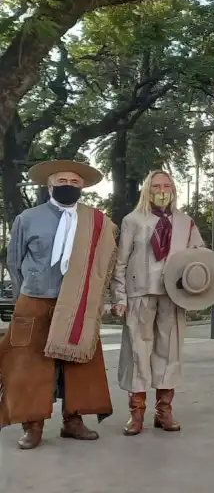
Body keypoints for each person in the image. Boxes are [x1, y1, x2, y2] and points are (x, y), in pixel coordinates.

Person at [0, 160, 117, 450]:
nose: (69, 186)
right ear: (50, 184)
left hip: (78, 301)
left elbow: (105, 263)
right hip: (36, 299)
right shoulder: (28, 218)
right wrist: (26, 293)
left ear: (82, 187)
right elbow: (14, 261)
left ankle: (73, 420)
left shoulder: (95, 222)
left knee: (78, 362)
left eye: (75, 182)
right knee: (30, 364)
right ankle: (33, 424)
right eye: (62, 181)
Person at [112, 170, 204, 435]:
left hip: (173, 294)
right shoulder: (132, 220)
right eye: (156, 186)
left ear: (173, 189)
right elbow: (120, 261)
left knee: (170, 350)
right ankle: (136, 413)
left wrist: (195, 293)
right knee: (137, 350)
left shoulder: (186, 223)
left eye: (166, 186)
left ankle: (164, 411)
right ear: (147, 190)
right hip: (139, 292)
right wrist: (119, 297)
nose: (162, 190)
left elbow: (198, 258)